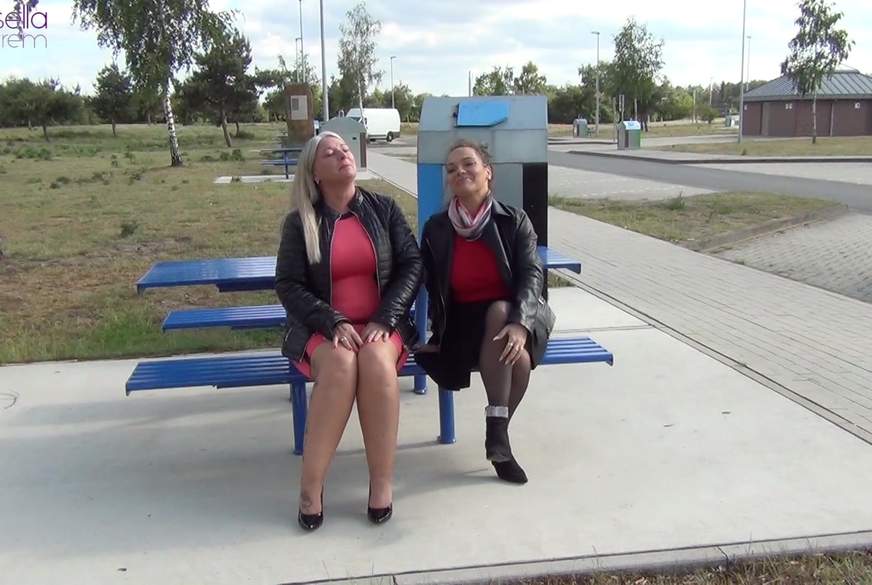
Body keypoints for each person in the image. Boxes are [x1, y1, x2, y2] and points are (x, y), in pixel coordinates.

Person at [275, 131, 422, 530]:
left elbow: (412, 264)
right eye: (330, 153)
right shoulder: (299, 223)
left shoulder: (384, 209)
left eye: (344, 148)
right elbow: (288, 284)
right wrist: (333, 321)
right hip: (322, 330)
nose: (343, 154)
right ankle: (310, 489)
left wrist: (385, 318)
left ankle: (381, 484)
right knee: (341, 363)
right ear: (315, 173)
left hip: (381, 325)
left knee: (374, 360)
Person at [416, 139, 554, 485]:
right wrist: (405, 329)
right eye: (451, 169)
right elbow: (416, 278)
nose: (459, 172)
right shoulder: (436, 228)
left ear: (488, 172)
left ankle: (497, 431)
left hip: (515, 317)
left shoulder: (514, 220)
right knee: (518, 361)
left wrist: (521, 324)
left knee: (501, 314)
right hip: (461, 326)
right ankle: (499, 438)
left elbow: (532, 274)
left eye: (469, 164)